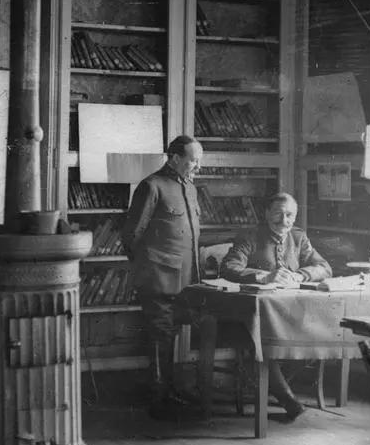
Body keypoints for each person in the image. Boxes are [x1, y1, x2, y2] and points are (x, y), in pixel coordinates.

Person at [220, 192, 332, 420]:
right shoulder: (250, 236)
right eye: (278, 214)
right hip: (251, 316)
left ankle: (276, 388)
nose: (284, 221)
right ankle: (288, 399)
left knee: (319, 330)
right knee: (262, 339)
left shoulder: (299, 238)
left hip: (289, 314)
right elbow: (229, 267)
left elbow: (324, 268)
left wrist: (301, 275)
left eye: (290, 215)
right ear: (266, 214)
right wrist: (263, 277)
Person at [122, 135, 203, 420]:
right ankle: (159, 400)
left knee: (171, 335)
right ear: (174, 157)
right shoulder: (151, 186)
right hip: (158, 279)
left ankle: (170, 391)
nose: (198, 167)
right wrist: (150, 270)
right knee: (160, 337)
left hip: (184, 280)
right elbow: (131, 236)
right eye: (193, 160)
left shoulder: (189, 188)